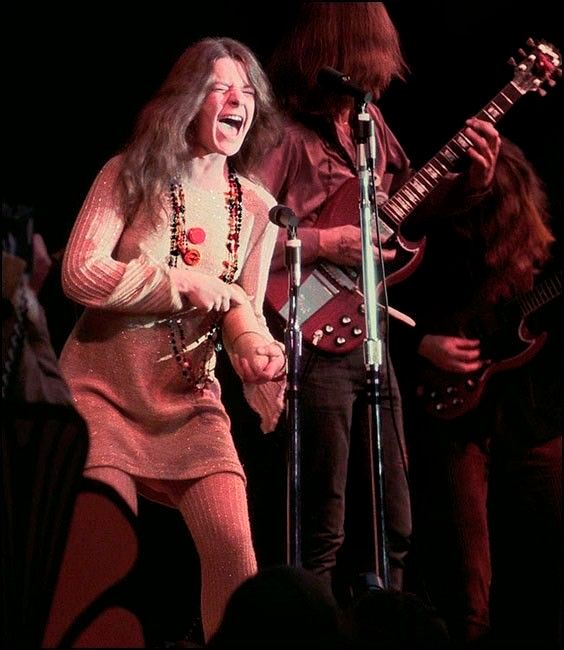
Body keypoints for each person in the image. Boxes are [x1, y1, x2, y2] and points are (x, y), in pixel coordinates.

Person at [256, 2, 500, 601]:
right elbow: (244, 226)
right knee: (324, 520)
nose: (388, 64)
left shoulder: (370, 126)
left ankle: (385, 619)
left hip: (367, 332)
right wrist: (327, 240)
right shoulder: (283, 133)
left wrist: (471, 182)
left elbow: (405, 208)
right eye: (378, 48)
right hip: (305, 327)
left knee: (394, 519)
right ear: (348, 49)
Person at [58, 37, 287, 643]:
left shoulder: (259, 208)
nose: (237, 100)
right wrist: (177, 282)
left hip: (188, 400)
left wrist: (256, 354)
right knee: (100, 551)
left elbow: (242, 308)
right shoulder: (131, 173)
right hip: (101, 394)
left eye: (246, 92)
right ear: (187, 100)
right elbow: (79, 273)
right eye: (220, 87)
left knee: (235, 553)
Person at [390, 138, 561, 647]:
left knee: (547, 568)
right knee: (468, 588)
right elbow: (372, 305)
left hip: (532, 417)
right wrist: (422, 343)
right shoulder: (434, 237)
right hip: (455, 424)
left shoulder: (540, 252)